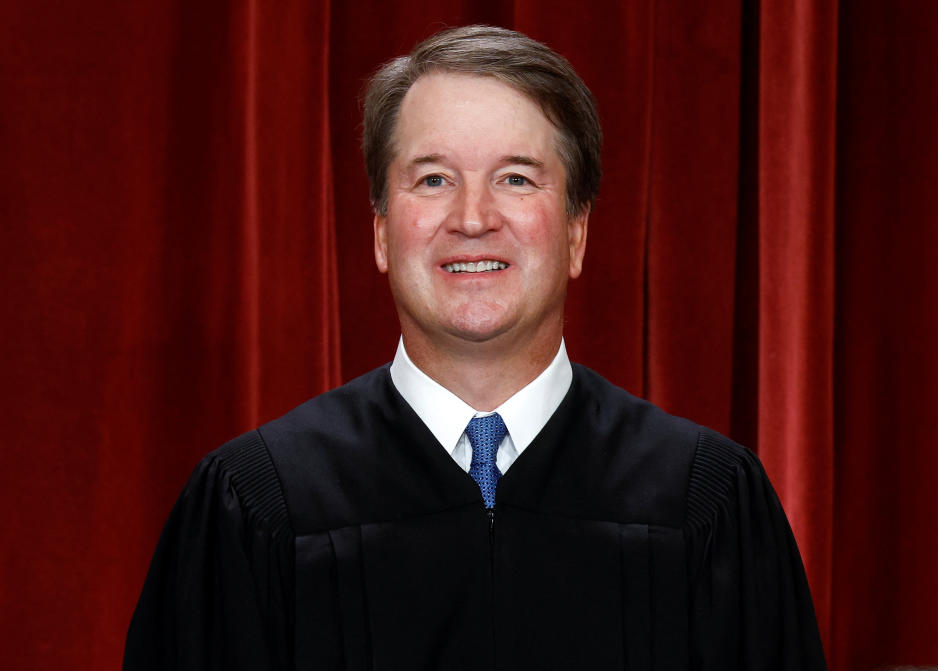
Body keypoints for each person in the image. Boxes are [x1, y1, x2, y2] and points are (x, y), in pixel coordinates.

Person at [124, 25, 827, 670]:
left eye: (516, 178)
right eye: (433, 179)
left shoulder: (704, 503)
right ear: (379, 232)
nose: (473, 218)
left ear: (577, 233)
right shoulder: (256, 506)